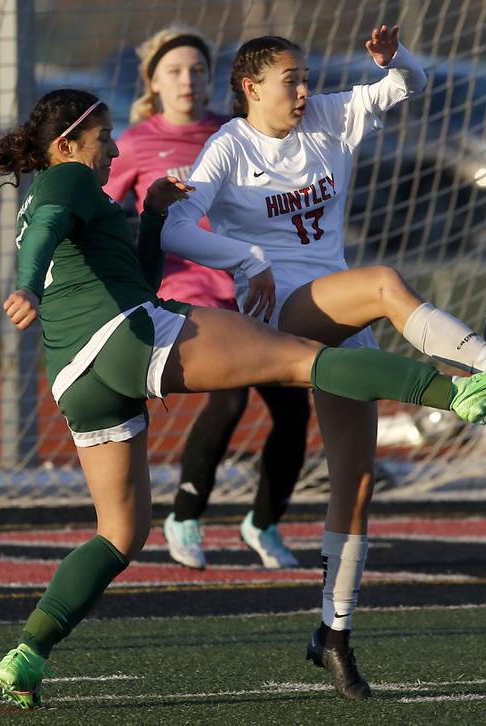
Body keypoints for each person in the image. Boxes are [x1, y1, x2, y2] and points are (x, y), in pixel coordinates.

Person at [0, 86, 486, 709]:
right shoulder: (66, 182)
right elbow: (47, 234)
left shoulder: (77, 193)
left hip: (76, 380)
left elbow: (136, 274)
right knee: (305, 362)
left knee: (119, 534)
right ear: (66, 145)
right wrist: (27, 289)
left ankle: (28, 652)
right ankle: (459, 394)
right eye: (104, 137)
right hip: (121, 338)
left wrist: (150, 217)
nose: (114, 147)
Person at [161, 25, 486, 699]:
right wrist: (247, 260)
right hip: (281, 318)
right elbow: (174, 227)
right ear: (250, 88)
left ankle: (332, 633)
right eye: (289, 79)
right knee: (386, 281)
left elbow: (407, 86)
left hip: (338, 311)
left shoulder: (328, 115)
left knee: (354, 482)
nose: (303, 89)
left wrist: (396, 61)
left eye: (304, 76)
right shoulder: (229, 148)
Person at [104, 27, 310, 571]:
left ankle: (262, 525)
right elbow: (100, 213)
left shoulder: (234, 131)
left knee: (294, 404)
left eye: (197, 69)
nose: (188, 80)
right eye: (175, 70)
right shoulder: (135, 142)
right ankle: (185, 516)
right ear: (153, 81)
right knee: (232, 395)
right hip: (187, 291)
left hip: (248, 286)